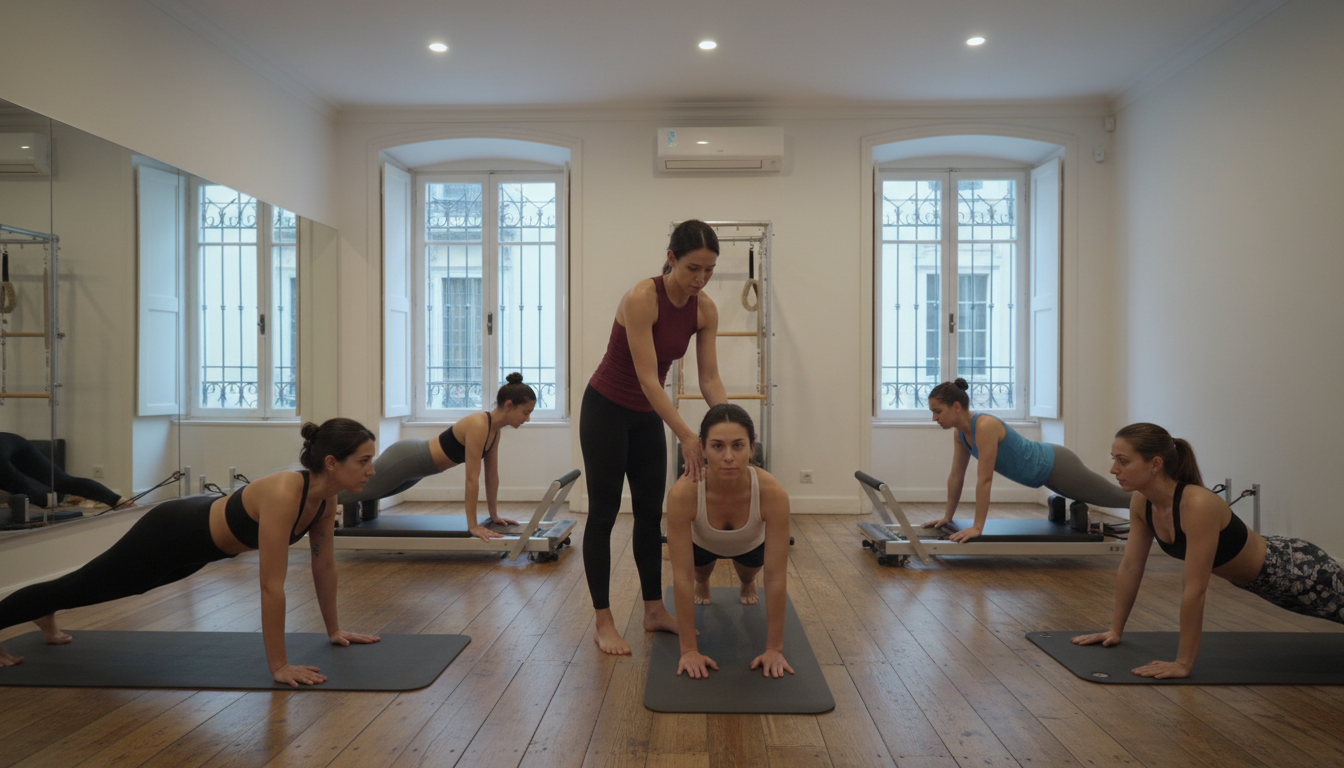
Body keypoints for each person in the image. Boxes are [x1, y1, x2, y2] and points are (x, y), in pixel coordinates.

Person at [0, 418, 382, 687]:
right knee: (85, 585)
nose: (372, 470)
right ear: (332, 463)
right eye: (364, 461)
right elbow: (271, 586)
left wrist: (334, 630)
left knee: (108, 588)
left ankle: (45, 611)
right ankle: (36, 609)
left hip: (199, 551)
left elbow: (325, 565)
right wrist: (279, 665)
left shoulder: (325, 499)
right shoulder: (286, 494)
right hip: (170, 532)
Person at [1073, 423, 1344, 679]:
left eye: (1123, 461)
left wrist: (1183, 663)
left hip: (1299, 571)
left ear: (1155, 464)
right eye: (1114, 459)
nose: (1113, 469)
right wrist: (1115, 629)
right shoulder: (1142, 502)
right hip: (1265, 587)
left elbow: (1195, 589)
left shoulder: (1198, 504)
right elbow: (1131, 567)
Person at [581, 219, 729, 656]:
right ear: (671, 259)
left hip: (646, 416)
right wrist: (686, 434)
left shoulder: (705, 309)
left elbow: (709, 377)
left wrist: (728, 426)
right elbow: (648, 379)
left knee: (650, 515)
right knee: (604, 516)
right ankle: (603, 621)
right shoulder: (642, 298)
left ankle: (652, 610)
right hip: (606, 409)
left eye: (709, 270)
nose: (700, 279)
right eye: (692, 268)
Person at [665, 405, 792, 679]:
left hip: (749, 545)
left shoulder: (772, 492)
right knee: (698, 574)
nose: (728, 457)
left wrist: (774, 649)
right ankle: (706, 582)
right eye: (717, 446)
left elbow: (776, 576)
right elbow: (681, 576)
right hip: (703, 543)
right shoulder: (682, 493)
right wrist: (689, 650)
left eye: (738, 446)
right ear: (702, 449)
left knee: (751, 573)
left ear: (752, 448)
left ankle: (746, 582)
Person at [923, 378, 1131, 542]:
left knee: (1118, 498)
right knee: (1113, 498)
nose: (934, 418)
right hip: (1046, 476)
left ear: (957, 406)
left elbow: (984, 479)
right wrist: (947, 517)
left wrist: (978, 528)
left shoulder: (984, 426)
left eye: (937, 411)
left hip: (1057, 464)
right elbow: (956, 476)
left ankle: (1160, 506)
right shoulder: (960, 434)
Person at [337, 374, 537, 542]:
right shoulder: (479, 424)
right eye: (525, 412)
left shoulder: (495, 431)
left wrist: (494, 515)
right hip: (407, 459)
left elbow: (491, 476)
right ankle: (311, 496)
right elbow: (471, 478)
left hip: (419, 470)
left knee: (369, 492)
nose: (527, 419)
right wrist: (473, 526)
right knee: (347, 493)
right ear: (509, 405)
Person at [0, 432, 124, 510]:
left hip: (11, 445)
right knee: (27, 492)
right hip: (10, 442)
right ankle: (50, 500)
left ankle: (120, 501)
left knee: (60, 482)